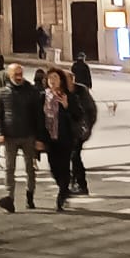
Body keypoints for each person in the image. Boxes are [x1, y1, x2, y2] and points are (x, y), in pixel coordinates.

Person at [0, 62, 44, 212]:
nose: (19, 77)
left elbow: (38, 116)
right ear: (9, 75)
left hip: (28, 135)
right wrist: (0, 133)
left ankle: (30, 196)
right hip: (10, 136)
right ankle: (9, 198)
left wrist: (39, 138)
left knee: (30, 168)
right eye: (16, 74)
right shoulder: (3, 93)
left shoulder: (31, 91)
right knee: (9, 168)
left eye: (21, 73)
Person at [41, 68, 80, 211]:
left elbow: (78, 115)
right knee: (54, 168)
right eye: (50, 78)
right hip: (50, 138)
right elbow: (38, 118)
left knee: (64, 167)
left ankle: (62, 194)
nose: (52, 80)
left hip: (65, 138)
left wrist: (66, 106)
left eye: (55, 78)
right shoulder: (42, 97)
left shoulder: (68, 96)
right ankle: (63, 187)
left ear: (61, 80)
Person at [68, 68, 96, 196]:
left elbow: (91, 110)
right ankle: (72, 182)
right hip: (64, 130)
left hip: (78, 131)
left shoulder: (81, 91)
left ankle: (80, 184)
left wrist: (88, 127)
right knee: (69, 158)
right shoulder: (60, 91)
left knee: (75, 156)